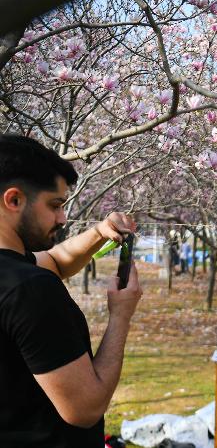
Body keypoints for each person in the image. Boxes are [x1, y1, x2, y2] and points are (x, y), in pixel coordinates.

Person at [0, 134, 143, 447]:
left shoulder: (16, 272)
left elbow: (54, 260)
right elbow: (85, 408)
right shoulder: (31, 290)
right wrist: (121, 315)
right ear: (14, 200)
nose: (63, 218)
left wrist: (98, 234)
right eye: (55, 205)